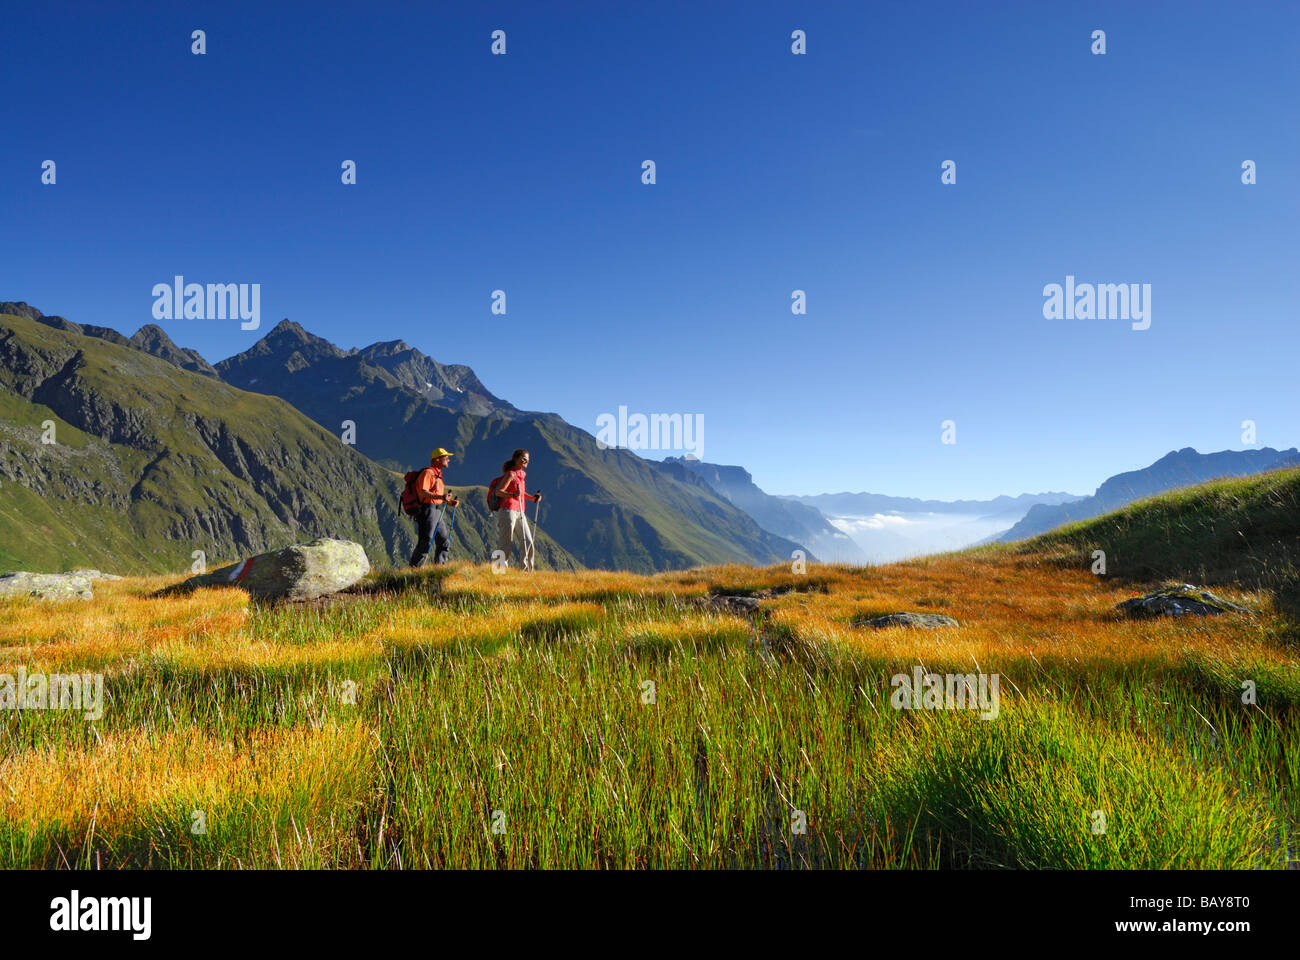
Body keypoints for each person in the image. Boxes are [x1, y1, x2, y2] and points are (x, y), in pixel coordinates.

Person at [410, 447, 460, 566]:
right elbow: (423, 492)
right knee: (426, 542)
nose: (448, 460)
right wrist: (442, 498)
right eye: (446, 457)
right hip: (427, 511)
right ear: (437, 459)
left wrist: (448, 502)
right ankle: (414, 570)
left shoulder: (437, 475)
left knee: (444, 542)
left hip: (436, 511)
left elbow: (436, 496)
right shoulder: (428, 473)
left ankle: (439, 568)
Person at [495, 448, 541, 571]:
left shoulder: (521, 476)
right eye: (523, 459)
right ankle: (499, 572)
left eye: (528, 460)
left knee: (528, 541)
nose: (526, 461)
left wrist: (532, 498)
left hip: (520, 512)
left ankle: (526, 572)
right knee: (505, 543)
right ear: (516, 459)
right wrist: (512, 495)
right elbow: (498, 492)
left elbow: (520, 493)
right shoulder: (511, 474)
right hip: (507, 510)